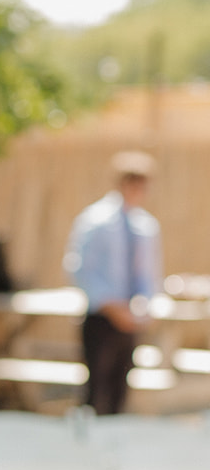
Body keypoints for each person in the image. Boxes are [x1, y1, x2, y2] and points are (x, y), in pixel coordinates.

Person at [65, 150, 162, 415]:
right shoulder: (96, 221)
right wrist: (112, 307)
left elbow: (147, 274)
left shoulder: (145, 226)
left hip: (131, 318)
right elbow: (80, 268)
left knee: (121, 387)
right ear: (122, 183)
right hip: (102, 316)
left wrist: (143, 306)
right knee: (96, 387)